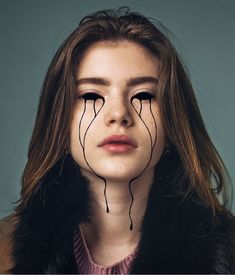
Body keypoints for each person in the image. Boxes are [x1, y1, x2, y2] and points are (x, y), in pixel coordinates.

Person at [0, 7, 234, 274]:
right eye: (90, 96)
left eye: (144, 96)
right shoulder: (4, 252)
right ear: (60, 123)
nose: (119, 114)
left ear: (172, 123)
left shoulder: (229, 250)